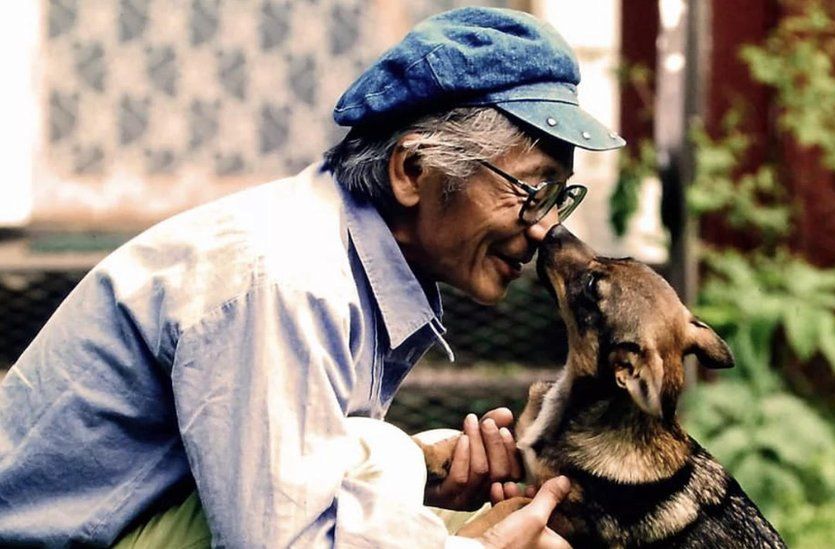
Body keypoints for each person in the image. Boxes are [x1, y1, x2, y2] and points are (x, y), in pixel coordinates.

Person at [0, 7, 624, 548]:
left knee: (382, 463)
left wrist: (416, 469)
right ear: (412, 171)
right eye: (529, 190)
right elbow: (277, 540)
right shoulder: (288, 280)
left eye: (557, 197)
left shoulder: (344, 252)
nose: (544, 228)